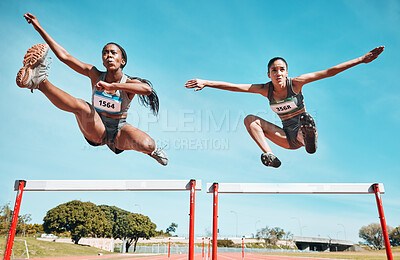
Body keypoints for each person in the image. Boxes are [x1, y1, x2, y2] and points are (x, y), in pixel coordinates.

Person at [185, 46, 384, 168]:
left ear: (287, 72)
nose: (278, 73)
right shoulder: (265, 89)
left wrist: (361, 60)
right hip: (285, 139)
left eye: (282, 70)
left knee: (305, 120)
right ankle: (270, 155)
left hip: (300, 133)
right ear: (268, 74)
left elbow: (329, 72)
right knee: (249, 120)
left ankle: (309, 140)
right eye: (274, 70)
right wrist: (206, 82)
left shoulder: (295, 83)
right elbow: (235, 87)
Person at [16, 13, 168, 166]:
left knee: (148, 144)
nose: (108, 55)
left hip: (119, 129)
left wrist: (113, 86)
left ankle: (152, 151)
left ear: (123, 61)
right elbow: (65, 57)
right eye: (105, 53)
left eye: (113, 53)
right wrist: (39, 28)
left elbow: (147, 89)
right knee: (83, 107)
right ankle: (39, 82)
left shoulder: (129, 82)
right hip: (95, 126)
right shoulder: (94, 74)